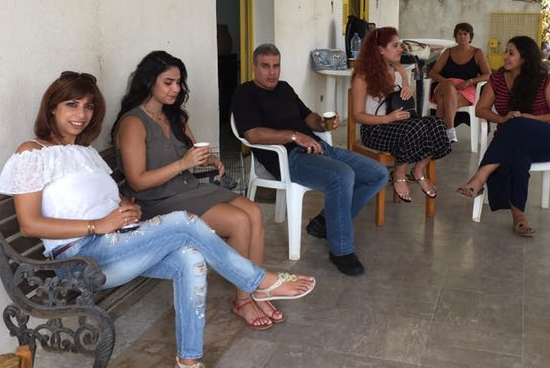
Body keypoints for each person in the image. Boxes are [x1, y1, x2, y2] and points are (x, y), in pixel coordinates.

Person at [0, 71, 315, 368]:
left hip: (117, 245)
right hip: (79, 260)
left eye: (89, 107)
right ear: (52, 107)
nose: (81, 114)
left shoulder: (86, 153)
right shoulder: (31, 153)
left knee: (190, 258)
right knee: (183, 222)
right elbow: (30, 224)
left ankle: (189, 362)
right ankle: (258, 281)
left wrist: (125, 208)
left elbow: (107, 199)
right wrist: (97, 225)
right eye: (72, 105)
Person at [112, 51, 280, 331]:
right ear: (149, 81)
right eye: (168, 82)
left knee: (253, 211)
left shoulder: (174, 116)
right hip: (157, 201)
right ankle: (243, 299)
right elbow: (138, 181)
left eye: (178, 83)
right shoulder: (133, 123)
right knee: (238, 221)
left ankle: (257, 290)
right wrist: (183, 164)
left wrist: (209, 159)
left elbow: (192, 154)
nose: (175, 89)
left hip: (188, 189)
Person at [231, 44, 388, 276]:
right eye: (265, 66)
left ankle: (323, 222)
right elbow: (253, 135)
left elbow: (308, 117)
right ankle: (341, 250)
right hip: (289, 159)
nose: (272, 72)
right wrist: (295, 136)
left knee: (378, 174)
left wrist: (323, 123)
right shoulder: (245, 94)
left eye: (276, 66)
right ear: (254, 66)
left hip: (319, 147)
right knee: (342, 176)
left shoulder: (284, 88)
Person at [457, 36, 550, 237]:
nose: (505, 56)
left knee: (517, 123)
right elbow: (481, 109)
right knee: (517, 155)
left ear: (524, 58)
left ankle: (480, 176)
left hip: (545, 140)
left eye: (511, 53)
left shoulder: (543, 80)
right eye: (505, 51)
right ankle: (519, 217)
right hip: (512, 142)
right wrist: (502, 118)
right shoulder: (497, 80)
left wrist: (532, 119)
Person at [351, 27, 451, 202]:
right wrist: (387, 118)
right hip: (375, 130)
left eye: (400, 44)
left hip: (399, 126)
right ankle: (398, 175)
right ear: (381, 50)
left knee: (437, 123)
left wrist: (406, 84)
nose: (401, 49)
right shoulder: (362, 77)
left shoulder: (395, 67)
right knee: (416, 127)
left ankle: (418, 170)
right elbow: (357, 116)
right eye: (395, 45)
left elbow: (401, 71)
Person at [428, 22, 491, 143]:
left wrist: (470, 82)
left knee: (443, 102)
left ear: (470, 37)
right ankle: (450, 130)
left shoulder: (477, 53)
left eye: (465, 34)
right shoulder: (448, 52)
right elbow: (433, 73)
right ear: (455, 37)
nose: (462, 36)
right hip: (444, 86)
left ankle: (437, 134)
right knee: (449, 89)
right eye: (459, 34)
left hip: (466, 89)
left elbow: (488, 74)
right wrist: (446, 81)